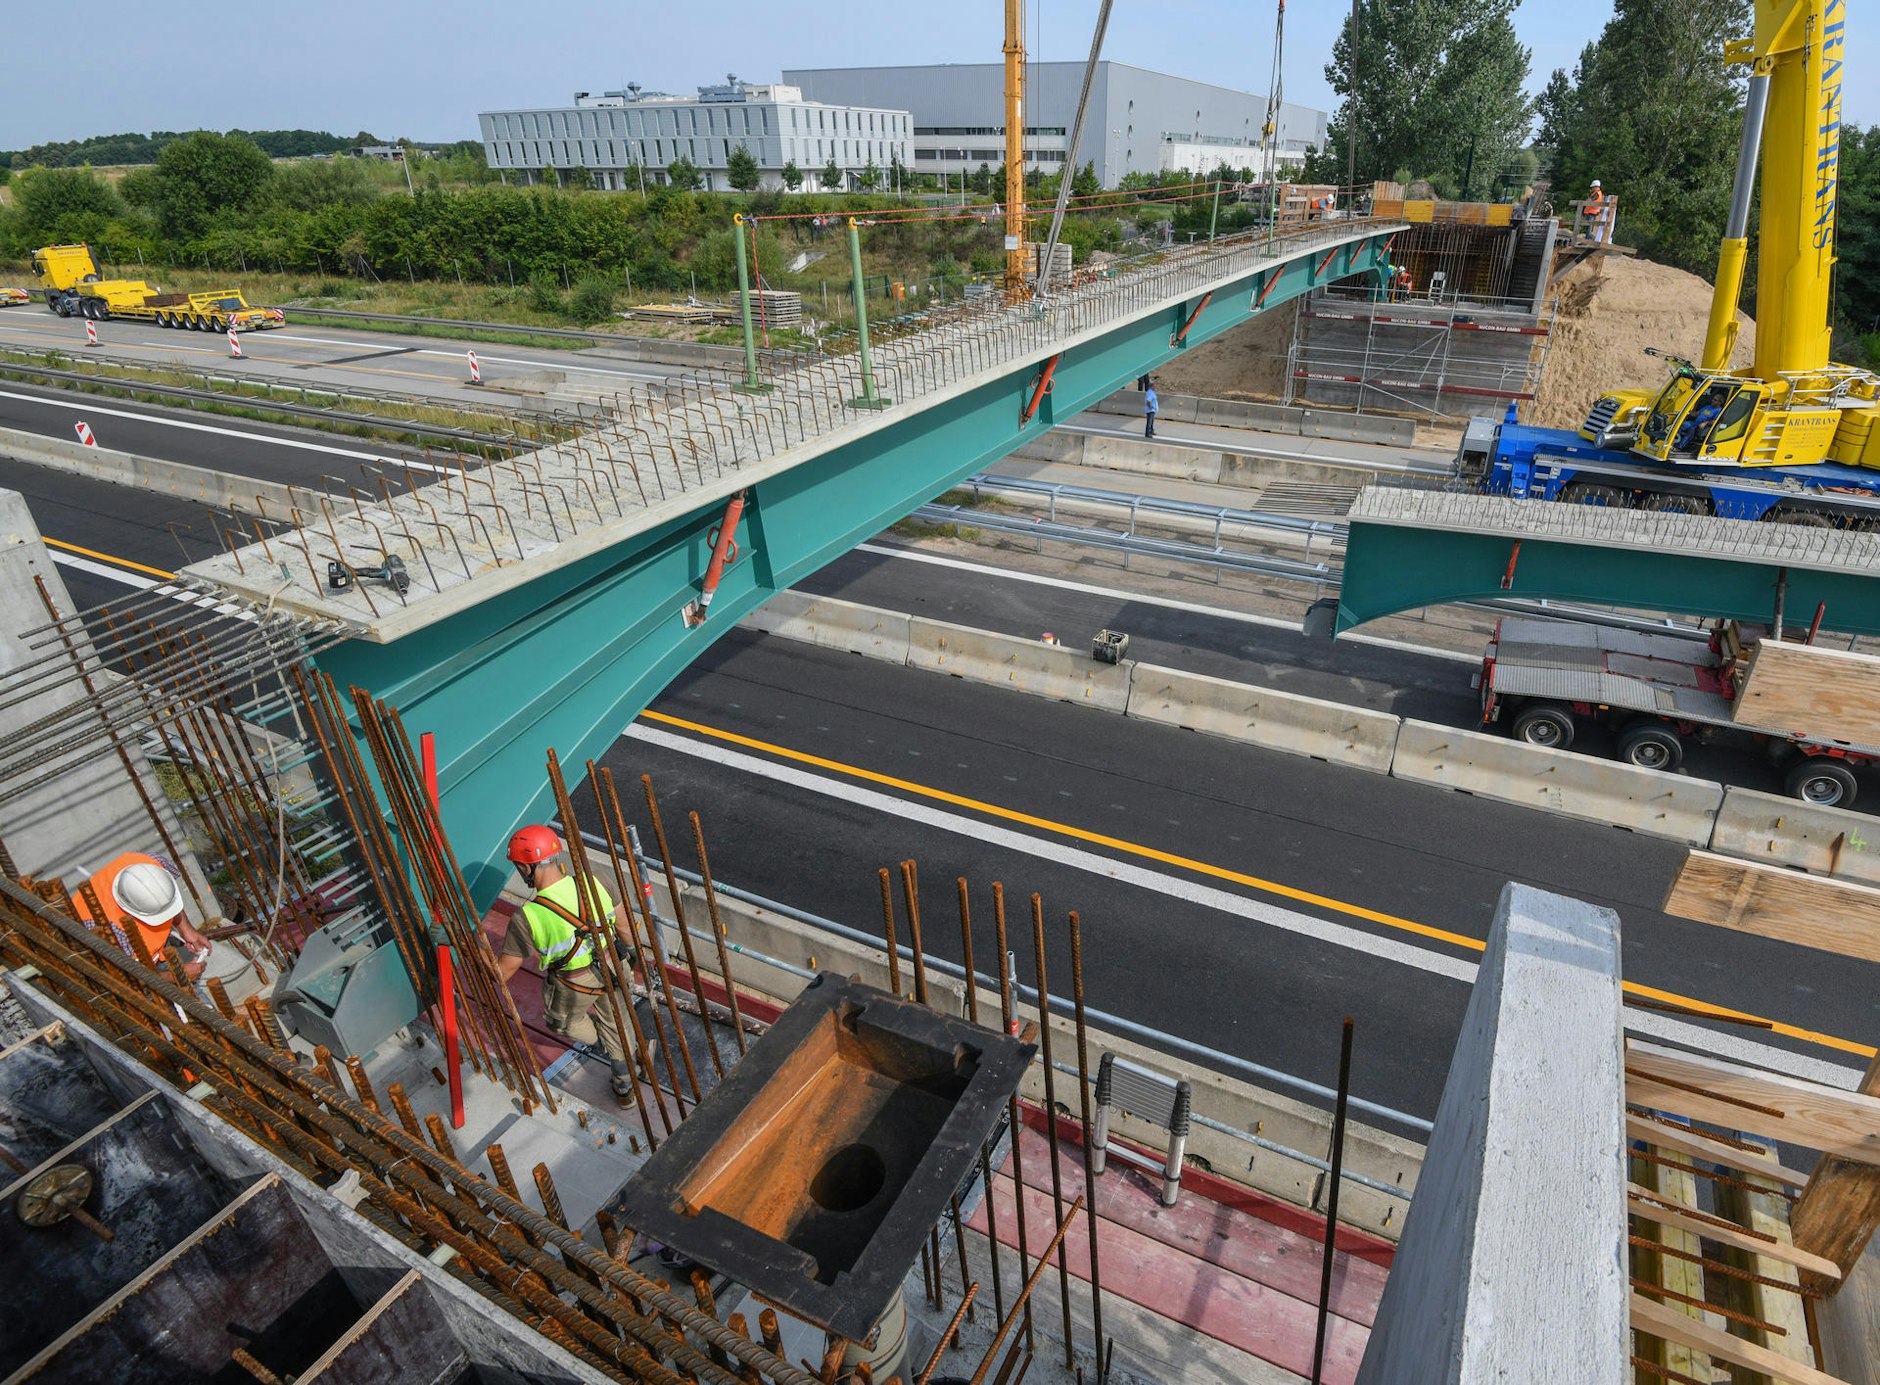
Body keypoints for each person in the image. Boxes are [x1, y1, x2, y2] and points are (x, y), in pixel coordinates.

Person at [496, 824, 640, 1103]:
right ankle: (625, 1084)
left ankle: (604, 1039)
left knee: (561, 1021)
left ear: (527, 867)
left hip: (574, 983)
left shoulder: (528, 918)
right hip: (613, 964)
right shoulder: (596, 880)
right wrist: (631, 958)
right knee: (618, 1020)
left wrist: (464, 947)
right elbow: (625, 928)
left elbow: (503, 972)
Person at [76, 852, 214, 980]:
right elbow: (128, 978)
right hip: (132, 969)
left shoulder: (150, 862)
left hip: (152, 952)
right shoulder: (106, 932)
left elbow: (166, 898)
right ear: (131, 910)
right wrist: (175, 976)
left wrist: (186, 929)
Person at [1587, 180, 1610, 244]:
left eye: (1593, 187)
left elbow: (1590, 201)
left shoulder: (1596, 193)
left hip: (1592, 211)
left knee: (1589, 226)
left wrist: (1587, 200)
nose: (1592, 189)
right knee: (1590, 226)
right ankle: (1588, 239)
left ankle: (1587, 239)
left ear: (1596, 187)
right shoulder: (1598, 193)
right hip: (1593, 211)